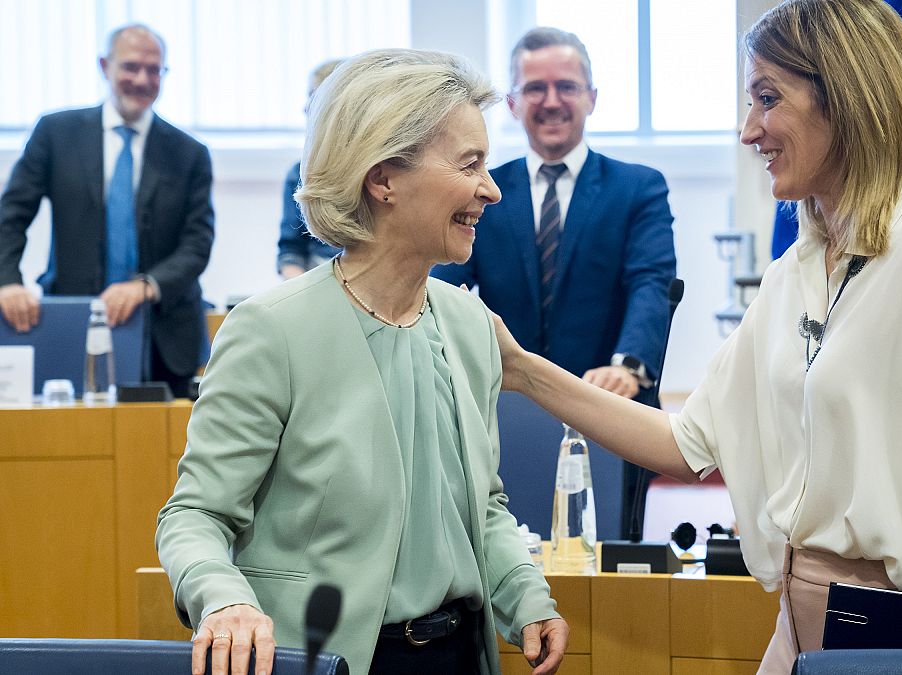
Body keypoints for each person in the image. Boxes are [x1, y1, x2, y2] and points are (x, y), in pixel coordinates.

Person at [488, 1, 902, 672]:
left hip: (893, 637)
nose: (750, 131)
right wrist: (524, 369)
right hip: (796, 633)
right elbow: (686, 445)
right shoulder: (792, 272)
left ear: (845, 97)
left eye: (767, 98)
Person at [156, 50, 567, 675]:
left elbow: (482, 508)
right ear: (384, 180)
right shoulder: (272, 328)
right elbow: (194, 515)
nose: (493, 188)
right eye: (470, 164)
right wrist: (224, 600)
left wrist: (526, 595)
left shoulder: (470, 326)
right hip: (331, 658)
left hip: (460, 656)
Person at [430, 26, 676, 539]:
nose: (552, 101)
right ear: (515, 104)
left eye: (566, 86)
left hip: (608, 408)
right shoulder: (483, 190)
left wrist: (628, 367)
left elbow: (651, 283)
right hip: (507, 415)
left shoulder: (638, 188)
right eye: (535, 88)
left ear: (591, 98)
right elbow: (442, 286)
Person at [0, 23, 214, 397]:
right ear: (105, 66)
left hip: (165, 335)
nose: (142, 79)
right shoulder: (56, 133)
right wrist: (8, 281)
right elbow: (11, 215)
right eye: (131, 67)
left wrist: (147, 285)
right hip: (69, 323)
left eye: (154, 69)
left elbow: (197, 242)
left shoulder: (189, 153)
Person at [276, 59, 343, 279]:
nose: (305, 108)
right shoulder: (299, 174)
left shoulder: (383, 171)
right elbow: (290, 251)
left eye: (314, 96)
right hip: (317, 281)